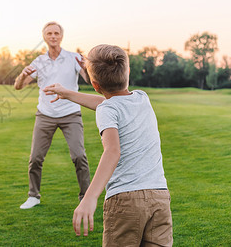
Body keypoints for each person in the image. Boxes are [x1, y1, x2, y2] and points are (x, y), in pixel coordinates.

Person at [44, 44, 173, 246]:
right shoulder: (142, 98)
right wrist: (68, 93)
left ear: (95, 85)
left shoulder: (108, 109)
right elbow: (107, 104)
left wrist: (89, 197)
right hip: (160, 197)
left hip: (125, 200)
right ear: (128, 71)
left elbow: (112, 151)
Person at [14, 21, 91, 209]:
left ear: (61, 36)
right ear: (44, 37)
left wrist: (87, 67)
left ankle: (86, 197)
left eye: (56, 33)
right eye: (49, 33)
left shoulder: (74, 58)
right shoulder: (38, 62)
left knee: (79, 156)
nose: (53, 36)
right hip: (45, 115)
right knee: (35, 158)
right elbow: (18, 86)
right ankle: (34, 196)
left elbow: (90, 80)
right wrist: (23, 75)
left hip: (71, 113)